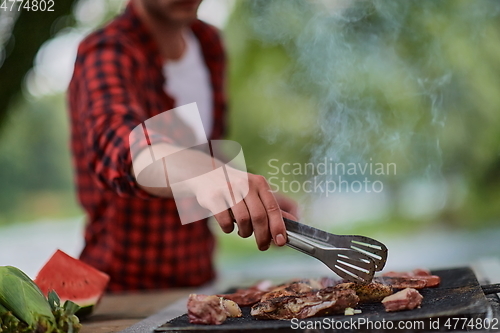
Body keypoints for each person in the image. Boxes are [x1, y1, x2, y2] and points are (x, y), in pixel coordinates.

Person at [68, 0, 297, 291]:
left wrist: (246, 188)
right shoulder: (105, 52)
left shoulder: (208, 44)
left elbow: (202, 150)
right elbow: (122, 146)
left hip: (199, 280)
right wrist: (206, 173)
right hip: (122, 290)